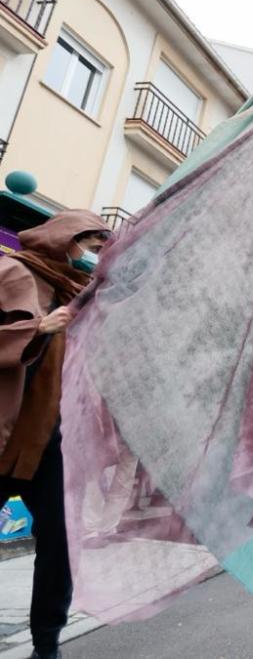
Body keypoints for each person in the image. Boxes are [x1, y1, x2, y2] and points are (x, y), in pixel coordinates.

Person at [0, 211, 110, 659]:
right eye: (86, 245)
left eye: (95, 250)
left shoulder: (81, 294)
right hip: (7, 433)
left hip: (53, 441)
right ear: (63, 238)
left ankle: (46, 645)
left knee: (61, 544)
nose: (87, 256)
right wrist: (35, 329)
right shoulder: (11, 271)